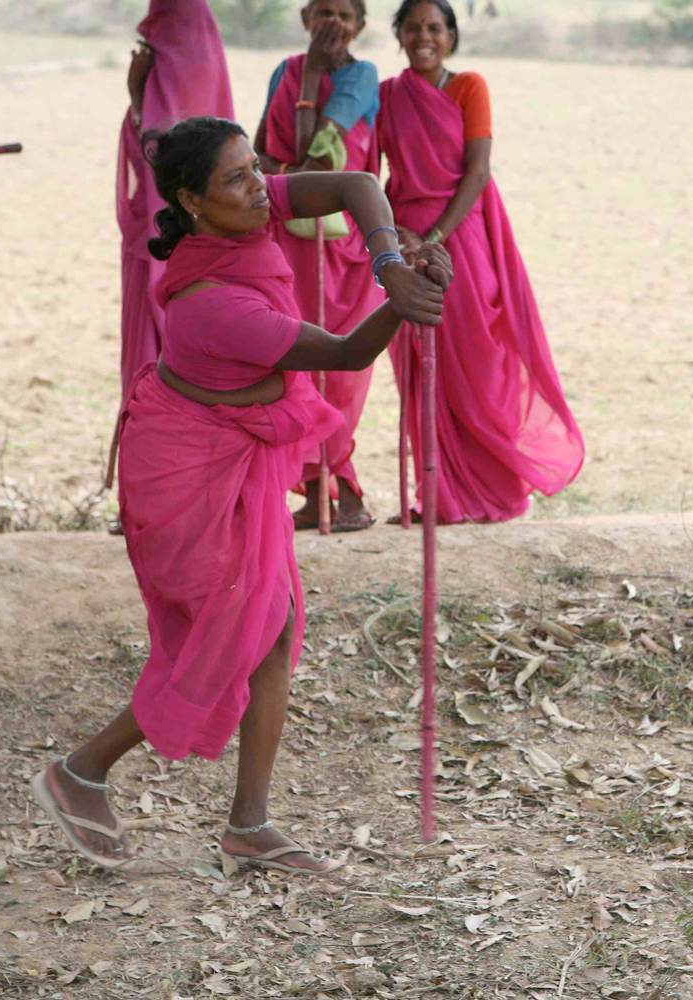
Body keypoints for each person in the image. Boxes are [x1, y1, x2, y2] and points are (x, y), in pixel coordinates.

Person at [31, 116, 452, 874]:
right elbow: (352, 352)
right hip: (186, 468)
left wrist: (390, 261)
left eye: (256, 168)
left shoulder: (251, 208)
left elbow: (358, 185)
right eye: (237, 177)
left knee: (275, 626)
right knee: (235, 630)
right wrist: (405, 298)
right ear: (194, 200)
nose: (260, 187)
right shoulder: (212, 304)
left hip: (235, 446)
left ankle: (248, 825)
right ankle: (80, 771)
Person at [377, 0, 583, 524]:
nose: (425, 36)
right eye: (414, 27)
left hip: (459, 238)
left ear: (452, 36)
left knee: (476, 360)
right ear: (398, 34)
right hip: (401, 242)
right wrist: (398, 235)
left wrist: (433, 236)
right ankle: (441, 497)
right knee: (420, 368)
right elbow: (370, 170)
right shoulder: (387, 96)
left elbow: (478, 171)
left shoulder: (469, 87)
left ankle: (493, 491)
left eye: (436, 28)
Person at [255, 0, 385, 532]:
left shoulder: (362, 74)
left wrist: (312, 71)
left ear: (360, 27)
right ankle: (319, 493)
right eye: (322, 12)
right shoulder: (282, 71)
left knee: (340, 373)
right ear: (305, 18)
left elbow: (316, 154)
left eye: (344, 16)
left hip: (345, 247)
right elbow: (260, 150)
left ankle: (345, 488)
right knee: (296, 360)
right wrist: (292, 171)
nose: (333, 25)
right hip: (288, 238)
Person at [109, 0, 234, 538]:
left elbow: (161, 155)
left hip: (168, 243)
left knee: (158, 368)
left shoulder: (176, 64)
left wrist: (138, 94)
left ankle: (158, 501)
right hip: (193, 243)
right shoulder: (201, 58)